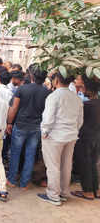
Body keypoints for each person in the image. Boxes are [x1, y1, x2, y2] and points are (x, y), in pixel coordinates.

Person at [37, 72, 83, 206]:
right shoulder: (76, 98)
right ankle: (63, 192)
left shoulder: (54, 96)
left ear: (56, 80)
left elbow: (48, 117)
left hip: (54, 135)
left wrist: (45, 131)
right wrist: (74, 130)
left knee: (53, 166)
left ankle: (53, 195)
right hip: (71, 135)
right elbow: (80, 120)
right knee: (66, 165)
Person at [7, 64, 51, 189]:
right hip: (36, 127)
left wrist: (9, 123)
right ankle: (25, 183)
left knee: (15, 153)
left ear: (31, 76)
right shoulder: (47, 92)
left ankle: (11, 180)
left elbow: (14, 107)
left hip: (20, 125)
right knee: (30, 155)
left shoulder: (22, 89)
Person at [72, 77, 100, 200]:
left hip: (85, 137)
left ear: (88, 89)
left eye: (83, 87)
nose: (81, 89)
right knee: (94, 163)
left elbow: (78, 121)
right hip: (97, 137)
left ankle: (88, 191)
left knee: (85, 163)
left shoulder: (85, 105)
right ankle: (97, 190)